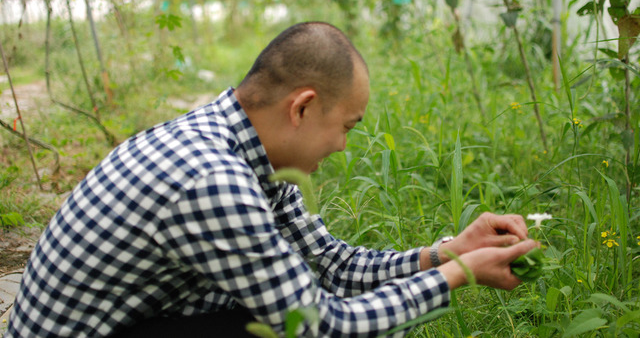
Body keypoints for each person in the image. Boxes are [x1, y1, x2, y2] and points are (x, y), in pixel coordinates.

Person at [6, 22, 537, 337]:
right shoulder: (211, 178)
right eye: (346, 127)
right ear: (303, 108)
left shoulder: (245, 145)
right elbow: (319, 326)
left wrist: (445, 253)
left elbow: (330, 265)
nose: (343, 146)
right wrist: (460, 274)